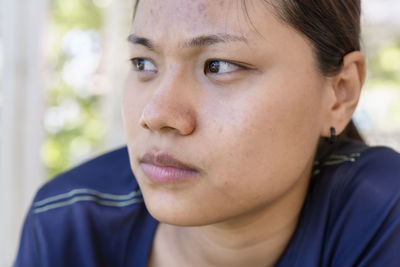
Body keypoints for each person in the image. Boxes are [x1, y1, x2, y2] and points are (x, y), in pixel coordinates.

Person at [14, 0, 400, 266]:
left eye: (218, 66)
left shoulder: (381, 214)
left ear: (340, 92)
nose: (157, 115)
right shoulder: (69, 226)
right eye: (144, 63)